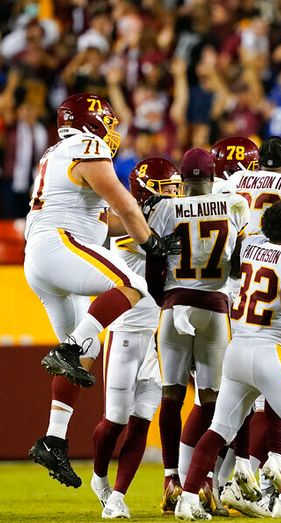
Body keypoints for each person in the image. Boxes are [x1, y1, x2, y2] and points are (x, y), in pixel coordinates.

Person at [25, 93, 180, 489]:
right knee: (134, 286)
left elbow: (107, 221)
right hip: (60, 244)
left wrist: (139, 225)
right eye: (107, 123)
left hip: (44, 257)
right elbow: (122, 203)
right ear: (92, 123)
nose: (111, 132)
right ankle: (70, 346)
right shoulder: (87, 146)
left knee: (88, 351)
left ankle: (54, 438)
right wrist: (151, 244)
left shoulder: (58, 152)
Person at [176, 202, 281, 521]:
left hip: (237, 349)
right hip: (270, 349)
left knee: (219, 429)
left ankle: (187, 499)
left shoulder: (252, 249)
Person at [147, 148, 250, 513]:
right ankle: (204, 481)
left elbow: (153, 264)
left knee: (171, 396)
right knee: (212, 401)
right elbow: (237, 267)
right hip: (215, 307)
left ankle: (171, 479)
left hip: (175, 303)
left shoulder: (164, 208)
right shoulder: (233, 206)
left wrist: (166, 301)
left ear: (183, 179)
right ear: (212, 175)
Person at [89, 157, 182, 519]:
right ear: (146, 190)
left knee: (142, 419)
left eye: (177, 189)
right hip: (126, 332)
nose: (174, 196)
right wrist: (163, 241)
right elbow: (138, 241)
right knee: (114, 420)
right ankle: (99, 477)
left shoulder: (164, 221)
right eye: (167, 189)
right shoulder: (130, 227)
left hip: (157, 333)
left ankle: (118, 497)